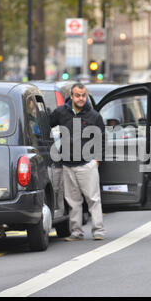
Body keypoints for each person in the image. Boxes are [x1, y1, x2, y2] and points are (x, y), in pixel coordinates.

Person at [49, 83, 106, 241]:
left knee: (93, 200)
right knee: (73, 202)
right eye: (77, 95)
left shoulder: (94, 115)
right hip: (67, 165)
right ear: (72, 96)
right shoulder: (60, 112)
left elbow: (101, 138)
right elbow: (46, 124)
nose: (81, 98)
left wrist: (97, 160)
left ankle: (98, 231)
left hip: (87, 163)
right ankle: (76, 232)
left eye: (83, 95)